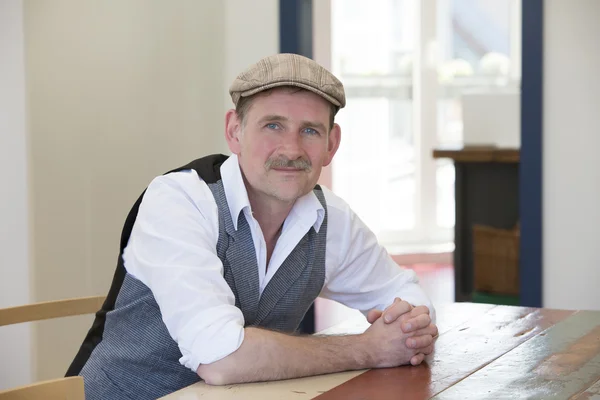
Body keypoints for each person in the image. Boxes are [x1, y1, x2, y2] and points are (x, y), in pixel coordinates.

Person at [67, 53, 438, 399]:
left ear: (331, 144)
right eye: (273, 125)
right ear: (234, 131)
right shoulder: (179, 200)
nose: (291, 149)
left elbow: (405, 293)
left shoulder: (331, 219)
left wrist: (409, 328)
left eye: (310, 130)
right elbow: (221, 359)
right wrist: (366, 349)